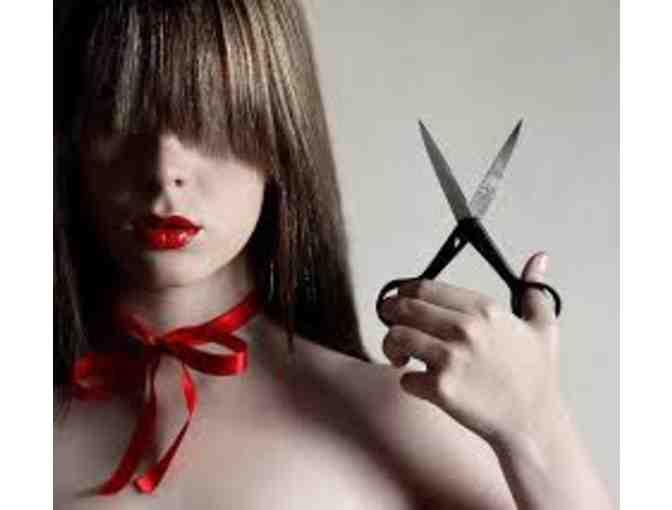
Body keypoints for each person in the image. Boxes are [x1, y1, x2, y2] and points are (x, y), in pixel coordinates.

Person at [53, 1, 615, 508]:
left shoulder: (400, 425)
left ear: (279, 138)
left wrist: (539, 428)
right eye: (118, 113)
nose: (164, 170)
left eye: (211, 119)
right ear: (66, 138)